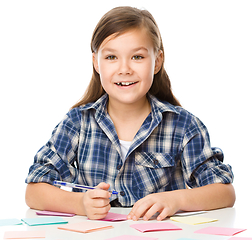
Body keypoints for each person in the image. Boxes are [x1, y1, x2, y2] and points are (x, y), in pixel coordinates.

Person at [25, 6, 235, 221]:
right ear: (96, 62)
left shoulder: (183, 125)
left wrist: (176, 200)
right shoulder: (76, 123)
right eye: (111, 57)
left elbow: (225, 193)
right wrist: (80, 203)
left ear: (157, 61)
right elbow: (34, 192)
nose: (124, 69)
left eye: (137, 57)